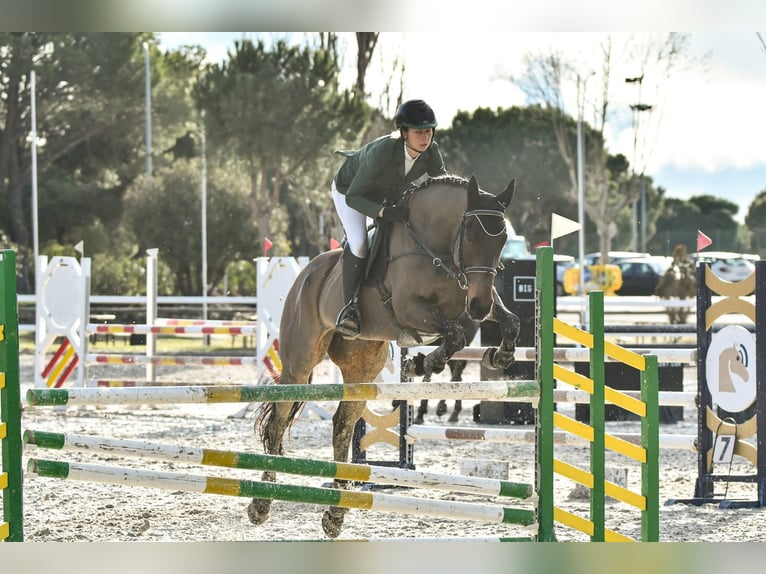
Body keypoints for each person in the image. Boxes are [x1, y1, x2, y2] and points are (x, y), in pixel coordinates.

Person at [331, 99, 447, 337]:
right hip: (351, 190)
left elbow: (441, 185)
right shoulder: (384, 151)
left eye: (428, 131)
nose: (425, 138)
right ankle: (350, 309)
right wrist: (382, 212)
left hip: (387, 190)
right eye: (418, 132)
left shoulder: (431, 151)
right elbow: (355, 196)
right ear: (404, 132)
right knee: (360, 242)